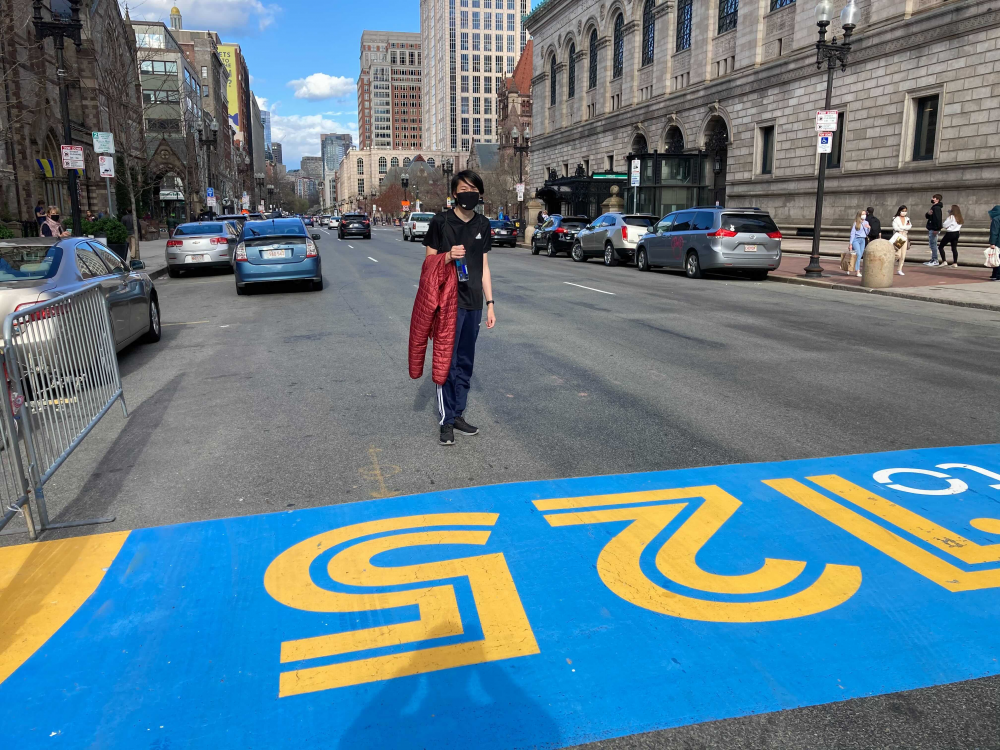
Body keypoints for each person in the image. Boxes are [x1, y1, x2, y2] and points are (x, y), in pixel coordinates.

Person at [423, 170, 496, 446]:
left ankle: (458, 414)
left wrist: (490, 304)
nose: (470, 193)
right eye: (464, 188)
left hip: (474, 303)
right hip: (448, 303)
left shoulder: (483, 224)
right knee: (447, 363)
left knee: (465, 362)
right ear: (454, 193)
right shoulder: (441, 222)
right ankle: (446, 421)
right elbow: (428, 265)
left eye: (474, 189)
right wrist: (447, 256)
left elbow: (485, 267)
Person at [923, 194, 943, 266]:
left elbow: (938, 219)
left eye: (933, 198)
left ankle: (935, 260)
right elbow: (928, 216)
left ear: (937, 200)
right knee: (932, 244)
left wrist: (937, 229)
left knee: (933, 244)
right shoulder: (934, 207)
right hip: (932, 228)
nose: (932, 199)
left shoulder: (936, 208)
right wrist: (928, 213)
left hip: (934, 229)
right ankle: (933, 259)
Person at [892, 205, 912, 276]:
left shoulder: (907, 219)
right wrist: (904, 227)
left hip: (905, 236)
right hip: (899, 237)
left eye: (905, 211)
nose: (904, 212)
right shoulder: (896, 219)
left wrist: (903, 228)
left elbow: (909, 226)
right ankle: (890, 264)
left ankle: (899, 269)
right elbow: (896, 228)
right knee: (898, 254)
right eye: (903, 211)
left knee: (903, 255)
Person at [849, 210, 869, 277]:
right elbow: (852, 233)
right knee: (858, 254)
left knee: (859, 256)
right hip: (856, 240)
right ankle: (857, 271)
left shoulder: (866, 222)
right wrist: (850, 243)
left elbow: (867, 233)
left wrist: (869, 228)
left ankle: (850, 267)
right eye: (863, 214)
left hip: (863, 239)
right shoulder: (856, 223)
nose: (864, 215)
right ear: (859, 215)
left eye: (865, 214)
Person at [990, 205, 1000, 281]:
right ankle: (994, 274)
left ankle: (997, 275)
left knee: (997, 258)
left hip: (998, 242)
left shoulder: (996, 219)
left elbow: (994, 232)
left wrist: (992, 243)